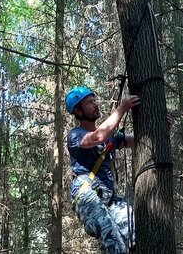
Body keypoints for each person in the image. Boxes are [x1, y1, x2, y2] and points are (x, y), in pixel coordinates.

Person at [64, 86, 140, 254]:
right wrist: (122, 108)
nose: (95, 105)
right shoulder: (75, 136)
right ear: (78, 110)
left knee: (137, 234)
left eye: (94, 101)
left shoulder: (110, 136)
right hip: (87, 195)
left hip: (109, 196)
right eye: (89, 103)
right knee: (114, 244)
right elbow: (98, 137)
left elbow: (137, 141)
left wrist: (161, 127)